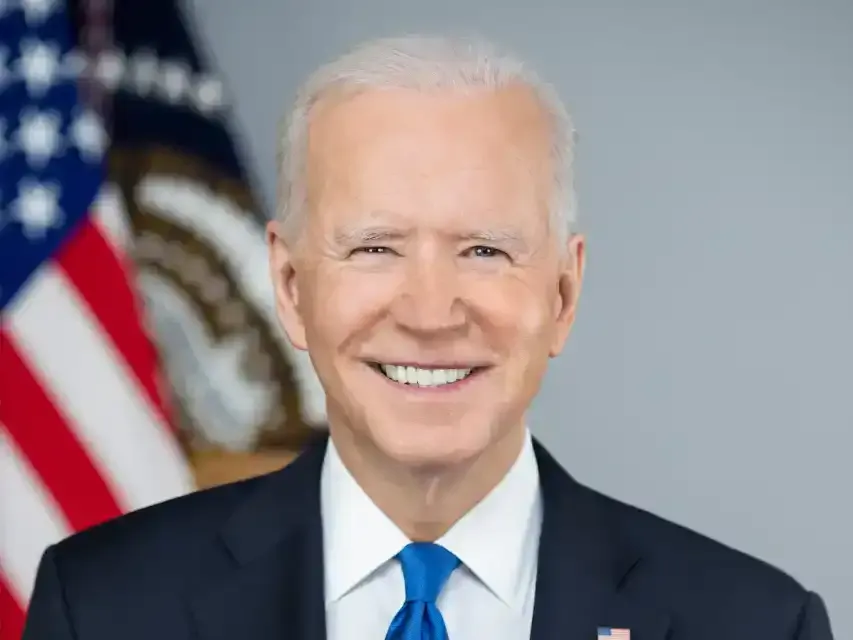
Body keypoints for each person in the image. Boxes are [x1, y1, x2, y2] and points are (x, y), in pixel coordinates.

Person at [23, 35, 834, 640]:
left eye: (483, 250)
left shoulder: (756, 625)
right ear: (291, 287)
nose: (429, 312)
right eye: (375, 248)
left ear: (562, 293)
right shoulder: (103, 609)